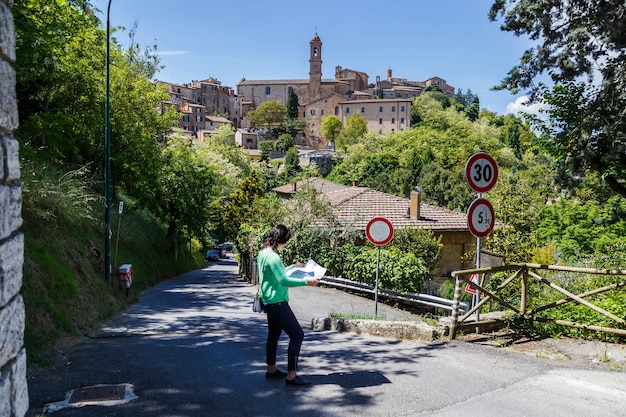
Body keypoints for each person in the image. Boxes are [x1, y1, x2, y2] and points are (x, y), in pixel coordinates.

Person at [257, 224, 320, 387]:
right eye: (285, 242)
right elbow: (283, 280)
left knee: (273, 336)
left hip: (268, 302)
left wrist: (292, 267)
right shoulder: (274, 257)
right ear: (281, 240)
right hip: (278, 303)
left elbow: (276, 272)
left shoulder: (263, 253)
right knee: (297, 335)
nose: (285, 245)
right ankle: (292, 376)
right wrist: (307, 281)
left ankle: (271, 370)